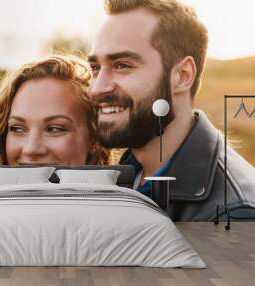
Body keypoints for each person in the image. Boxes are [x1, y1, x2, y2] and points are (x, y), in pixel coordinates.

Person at [88, 0, 255, 221]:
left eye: (123, 65)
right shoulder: (131, 173)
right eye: (96, 68)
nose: (98, 87)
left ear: (182, 76)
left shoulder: (232, 215)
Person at [0, 55, 107, 196]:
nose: (31, 149)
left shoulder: (123, 216)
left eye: (54, 129)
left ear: (93, 138)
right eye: (18, 129)